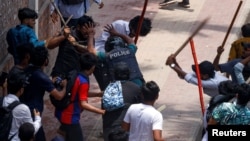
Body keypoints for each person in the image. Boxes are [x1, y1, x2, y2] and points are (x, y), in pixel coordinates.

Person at [20, 47, 67, 141]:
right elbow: (59, 96)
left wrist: (50, 82)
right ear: (46, 61)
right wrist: (65, 86)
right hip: (34, 112)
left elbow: (38, 81)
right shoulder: (41, 76)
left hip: (22, 108)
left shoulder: (27, 69)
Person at [54, 52, 105, 141]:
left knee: (64, 134)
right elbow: (83, 104)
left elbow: (80, 93)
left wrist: (97, 94)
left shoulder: (76, 74)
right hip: (70, 116)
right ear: (92, 67)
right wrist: (101, 111)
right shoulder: (83, 81)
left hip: (61, 111)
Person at [84, 23, 145, 90]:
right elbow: (131, 41)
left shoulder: (108, 56)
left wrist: (90, 35)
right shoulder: (130, 50)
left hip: (121, 90)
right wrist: (117, 34)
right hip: (138, 85)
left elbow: (91, 51)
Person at [102, 61, 142, 141]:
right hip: (125, 129)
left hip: (109, 129)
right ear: (128, 74)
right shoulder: (135, 88)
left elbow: (103, 110)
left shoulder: (108, 89)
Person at [51, 15, 95, 80]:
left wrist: (90, 36)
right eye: (85, 28)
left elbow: (91, 55)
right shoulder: (68, 34)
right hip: (61, 72)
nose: (88, 31)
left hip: (76, 76)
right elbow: (49, 45)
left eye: (90, 28)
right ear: (78, 27)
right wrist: (63, 36)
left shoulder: (90, 39)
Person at [2, 70, 41, 141]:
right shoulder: (23, 108)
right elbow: (31, 130)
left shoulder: (2, 100)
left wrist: (4, 88)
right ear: (21, 90)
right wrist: (38, 118)